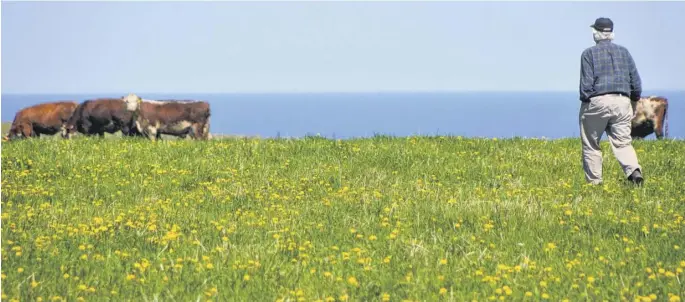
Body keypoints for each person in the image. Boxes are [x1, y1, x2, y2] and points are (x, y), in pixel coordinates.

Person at [578, 17, 643, 185]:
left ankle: (595, 183)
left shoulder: (588, 54)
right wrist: (634, 102)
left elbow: (585, 87)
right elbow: (636, 82)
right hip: (622, 101)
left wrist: (587, 102)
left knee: (591, 144)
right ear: (611, 33)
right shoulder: (624, 52)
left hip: (597, 101)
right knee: (623, 143)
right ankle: (634, 171)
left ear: (596, 33)